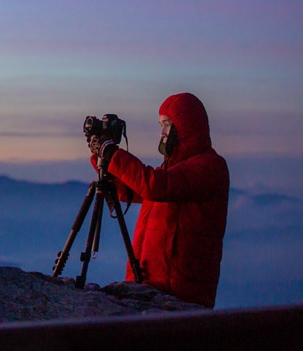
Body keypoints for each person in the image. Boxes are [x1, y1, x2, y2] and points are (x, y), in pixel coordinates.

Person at [89, 92, 229, 308]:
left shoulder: (209, 167)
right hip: (149, 286)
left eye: (166, 124)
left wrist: (113, 154)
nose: (162, 132)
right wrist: (101, 157)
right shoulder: (172, 169)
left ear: (185, 127)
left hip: (181, 293)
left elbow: (154, 187)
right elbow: (135, 191)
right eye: (160, 125)